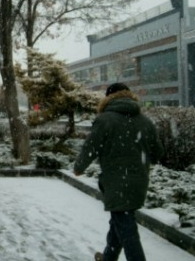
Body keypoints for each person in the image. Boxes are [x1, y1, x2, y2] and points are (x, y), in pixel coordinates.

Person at [73, 83, 163, 261]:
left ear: (108, 98)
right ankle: (108, 258)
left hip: (116, 182)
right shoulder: (145, 121)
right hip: (139, 181)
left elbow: (91, 147)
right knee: (120, 221)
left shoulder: (105, 119)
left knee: (126, 228)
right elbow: (158, 153)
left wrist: (79, 167)